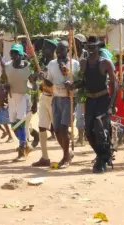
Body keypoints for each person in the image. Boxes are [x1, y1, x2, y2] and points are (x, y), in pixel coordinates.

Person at [68, 36, 117, 173]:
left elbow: (114, 84)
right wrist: (74, 85)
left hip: (102, 99)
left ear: (98, 47)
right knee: (89, 131)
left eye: (93, 47)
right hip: (90, 100)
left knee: (100, 127)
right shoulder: (83, 63)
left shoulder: (105, 63)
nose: (91, 50)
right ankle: (102, 154)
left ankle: (102, 159)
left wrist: (112, 103)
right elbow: (84, 82)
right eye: (88, 47)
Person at [43, 40, 79, 168]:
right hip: (56, 98)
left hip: (69, 99)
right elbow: (49, 83)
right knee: (57, 130)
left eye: (61, 50)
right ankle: (68, 152)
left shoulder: (74, 64)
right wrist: (43, 77)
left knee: (64, 129)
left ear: (68, 50)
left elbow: (79, 82)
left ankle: (65, 158)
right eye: (57, 50)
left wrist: (73, 86)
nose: (58, 53)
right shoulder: (52, 64)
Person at [2, 43, 37, 160]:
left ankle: (22, 149)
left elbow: (34, 85)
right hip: (11, 97)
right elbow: (2, 81)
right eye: (12, 52)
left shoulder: (28, 68)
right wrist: (5, 87)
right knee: (13, 124)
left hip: (24, 97)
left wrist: (35, 101)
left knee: (20, 123)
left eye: (17, 52)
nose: (14, 54)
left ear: (21, 55)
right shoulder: (6, 66)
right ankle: (25, 143)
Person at [32, 39, 58, 167]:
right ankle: (45, 157)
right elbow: (40, 79)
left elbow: (53, 84)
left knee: (58, 129)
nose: (43, 50)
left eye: (46, 48)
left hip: (54, 98)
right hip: (43, 97)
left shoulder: (56, 65)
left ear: (52, 50)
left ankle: (68, 153)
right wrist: (35, 77)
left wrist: (44, 78)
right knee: (42, 126)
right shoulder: (45, 63)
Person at [74, 34, 88, 147]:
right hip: (73, 87)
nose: (73, 43)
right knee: (78, 113)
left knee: (82, 113)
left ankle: (83, 137)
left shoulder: (85, 54)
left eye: (76, 41)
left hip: (85, 88)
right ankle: (80, 137)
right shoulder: (70, 54)